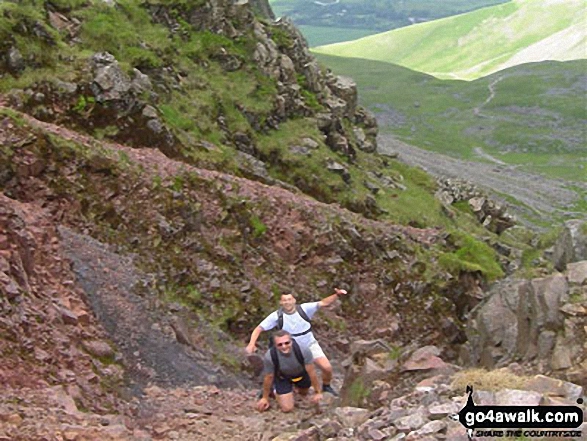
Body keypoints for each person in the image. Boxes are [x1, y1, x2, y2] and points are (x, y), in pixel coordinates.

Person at [246, 287, 347, 395]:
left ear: (294, 300)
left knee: (327, 367)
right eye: (284, 300)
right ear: (281, 302)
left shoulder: (304, 309)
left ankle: (326, 386)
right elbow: (259, 328)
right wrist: (252, 343)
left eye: (289, 299)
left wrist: (337, 295)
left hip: (309, 344)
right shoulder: (277, 316)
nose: (287, 302)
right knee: (276, 368)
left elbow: (323, 303)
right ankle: (270, 389)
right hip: (290, 348)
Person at [256, 330, 322, 413]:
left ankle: (295, 389)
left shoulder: (303, 350)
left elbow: (311, 372)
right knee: (287, 408)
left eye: (287, 343)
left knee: (304, 392)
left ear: (292, 341)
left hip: (300, 374)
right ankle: (275, 390)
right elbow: (269, 377)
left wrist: (318, 392)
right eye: (280, 344)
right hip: (283, 377)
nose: (284, 346)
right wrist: (265, 398)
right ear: (275, 345)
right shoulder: (270, 356)